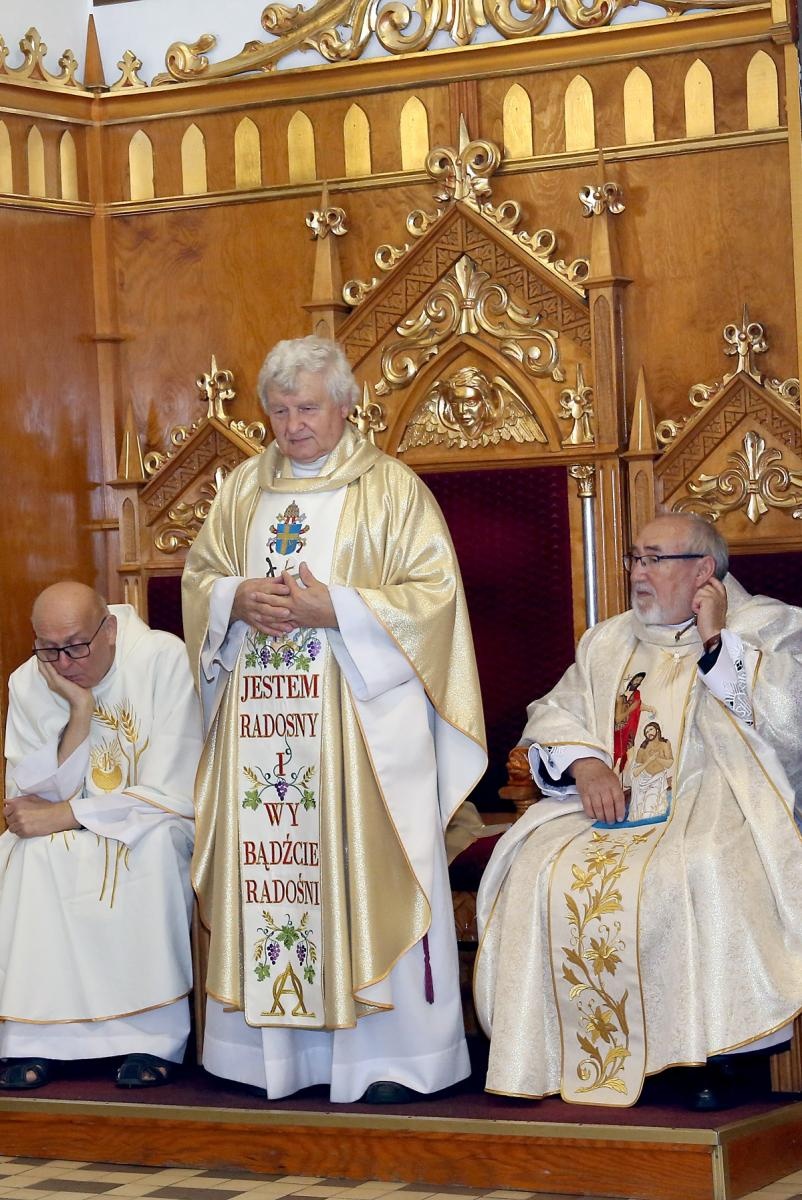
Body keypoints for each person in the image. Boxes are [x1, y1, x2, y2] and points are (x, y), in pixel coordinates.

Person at [182, 335, 487, 1104]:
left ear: (346, 408)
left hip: (362, 734)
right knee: (274, 876)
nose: (293, 425)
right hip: (262, 732)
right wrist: (233, 600)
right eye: (279, 411)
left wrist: (338, 609)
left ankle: (390, 1061)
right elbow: (200, 577)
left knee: (367, 872)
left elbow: (435, 600)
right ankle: (274, 1062)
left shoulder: (392, 490)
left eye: (307, 408)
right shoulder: (243, 490)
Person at [474, 513, 802, 1109]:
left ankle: (713, 1057)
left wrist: (716, 644)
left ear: (704, 571)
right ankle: (550, 1053)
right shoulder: (611, 639)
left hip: (721, 797)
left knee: (699, 865)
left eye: (654, 560)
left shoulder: (769, 626)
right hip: (612, 804)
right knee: (535, 865)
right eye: (634, 559)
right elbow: (555, 711)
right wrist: (586, 765)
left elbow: (790, 723)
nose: (638, 574)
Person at [0, 582, 202, 1089]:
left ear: (109, 629)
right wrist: (81, 711)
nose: (64, 662)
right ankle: (35, 1039)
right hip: (75, 820)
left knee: (152, 851)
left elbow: (172, 787)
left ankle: (148, 1041)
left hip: (153, 819)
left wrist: (71, 816)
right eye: (49, 649)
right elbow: (30, 800)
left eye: (76, 646)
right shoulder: (30, 680)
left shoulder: (161, 657)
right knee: (29, 855)